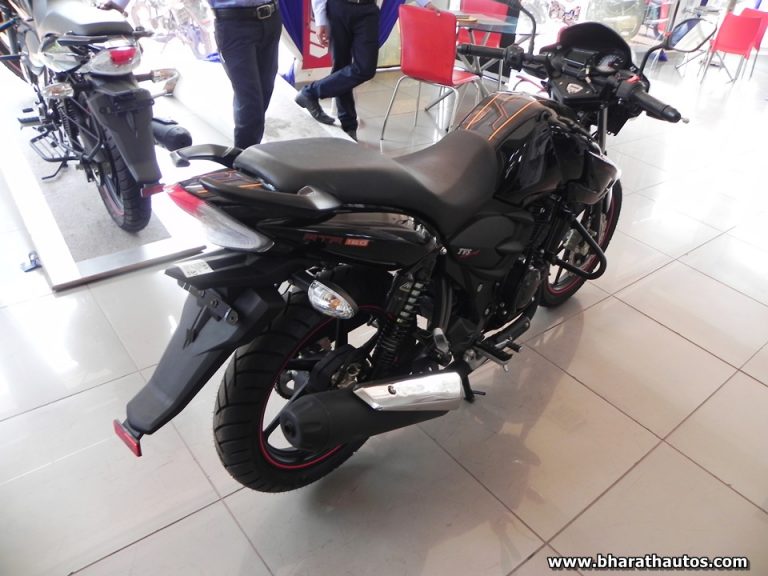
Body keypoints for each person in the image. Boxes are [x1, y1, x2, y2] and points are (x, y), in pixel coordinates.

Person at [100, 0, 281, 149]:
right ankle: (244, 164)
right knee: (250, 100)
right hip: (234, 25)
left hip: (271, 19)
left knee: (264, 92)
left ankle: (248, 159)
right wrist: (118, 4)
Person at [296, 0, 435, 141]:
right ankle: (349, 125)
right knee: (341, 66)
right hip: (338, 8)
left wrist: (425, 3)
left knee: (366, 68)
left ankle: (310, 92)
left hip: (367, 10)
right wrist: (320, 19)